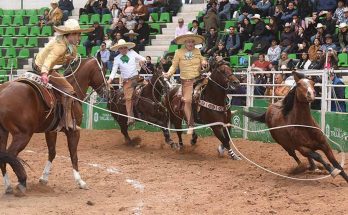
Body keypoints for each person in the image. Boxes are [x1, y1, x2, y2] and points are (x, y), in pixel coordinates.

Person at [33, 19, 94, 130]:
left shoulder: (67, 43)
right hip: (44, 68)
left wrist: (68, 57)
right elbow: (50, 59)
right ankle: (67, 121)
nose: (79, 38)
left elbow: (60, 57)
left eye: (79, 34)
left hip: (41, 64)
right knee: (69, 90)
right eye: (77, 35)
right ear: (70, 34)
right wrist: (44, 73)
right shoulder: (60, 46)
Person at [163, 33, 207, 134]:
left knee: (216, 86)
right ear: (184, 43)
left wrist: (204, 61)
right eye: (188, 41)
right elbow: (174, 66)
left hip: (199, 78)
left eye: (192, 41)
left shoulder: (197, 51)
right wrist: (169, 74)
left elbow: (202, 59)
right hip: (187, 81)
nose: (190, 43)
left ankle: (223, 111)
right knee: (187, 100)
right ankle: (190, 124)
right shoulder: (178, 52)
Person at [108, 39, 146, 125]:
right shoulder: (117, 58)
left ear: (127, 47)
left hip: (137, 78)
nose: (123, 49)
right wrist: (110, 80)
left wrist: (142, 61)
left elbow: (143, 58)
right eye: (121, 48)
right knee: (128, 98)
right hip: (127, 82)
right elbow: (113, 71)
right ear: (118, 49)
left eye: (125, 47)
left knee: (149, 87)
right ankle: (130, 117)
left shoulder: (132, 52)